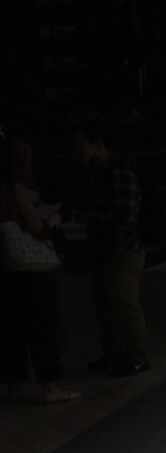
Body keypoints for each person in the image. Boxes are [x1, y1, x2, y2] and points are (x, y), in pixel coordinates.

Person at [0, 134, 80, 402]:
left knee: (15, 327)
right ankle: (50, 387)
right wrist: (53, 223)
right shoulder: (16, 189)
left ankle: (15, 383)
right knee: (43, 326)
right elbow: (36, 227)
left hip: (9, 266)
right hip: (33, 267)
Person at [73, 123, 149, 377]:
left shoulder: (118, 171)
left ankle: (137, 356)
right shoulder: (99, 172)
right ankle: (115, 354)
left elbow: (126, 217)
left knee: (124, 303)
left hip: (123, 249)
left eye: (81, 145)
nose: (78, 152)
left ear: (96, 144)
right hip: (108, 247)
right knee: (107, 304)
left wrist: (91, 218)